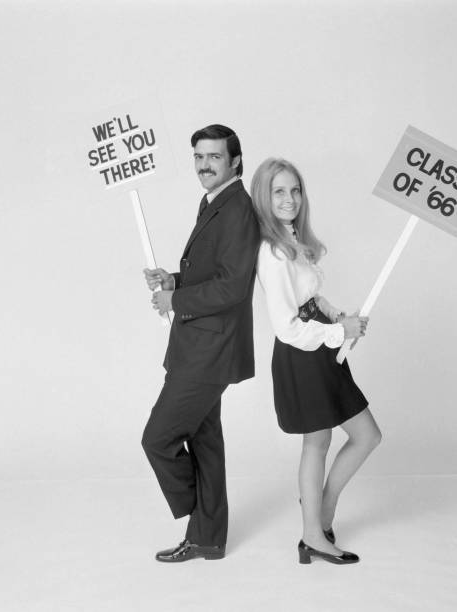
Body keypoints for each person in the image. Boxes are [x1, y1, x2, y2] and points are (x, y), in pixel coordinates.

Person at [251, 158, 381, 565]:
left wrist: (340, 320)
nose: (289, 199)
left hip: (321, 343)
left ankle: (318, 514)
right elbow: (287, 327)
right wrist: (337, 332)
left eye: (295, 190)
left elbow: (310, 300)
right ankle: (314, 531)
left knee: (363, 436)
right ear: (264, 198)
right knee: (319, 441)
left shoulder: (291, 240)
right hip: (302, 352)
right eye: (279, 191)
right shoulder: (272, 252)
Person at [141, 125, 260, 563]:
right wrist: (174, 279)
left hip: (210, 350)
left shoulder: (239, 210)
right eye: (198, 156)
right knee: (205, 440)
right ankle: (208, 538)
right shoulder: (215, 202)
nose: (204, 165)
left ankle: (201, 516)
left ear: (235, 162)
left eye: (213, 157)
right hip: (196, 343)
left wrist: (177, 299)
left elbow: (233, 287)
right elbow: (213, 271)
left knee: (158, 438)